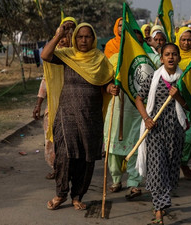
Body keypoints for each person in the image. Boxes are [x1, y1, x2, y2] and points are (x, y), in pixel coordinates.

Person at [41, 23, 114, 210]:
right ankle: (61, 194)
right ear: (74, 39)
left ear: (93, 38)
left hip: (91, 116)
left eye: (87, 36)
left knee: (86, 158)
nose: (83, 40)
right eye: (80, 37)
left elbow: (105, 83)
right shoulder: (68, 56)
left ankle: (77, 195)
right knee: (64, 156)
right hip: (67, 114)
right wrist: (59, 35)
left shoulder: (100, 60)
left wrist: (110, 88)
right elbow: (45, 55)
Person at [104, 29, 160, 199]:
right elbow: (103, 80)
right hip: (117, 109)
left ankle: (133, 183)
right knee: (113, 149)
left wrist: (156, 46)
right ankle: (115, 179)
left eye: (137, 42)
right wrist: (109, 87)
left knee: (136, 146)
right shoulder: (115, 59)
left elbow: (166, 67)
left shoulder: (151, 60)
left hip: (138, 110)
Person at [135, 43, 188, 225]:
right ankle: (158, 211)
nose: (171, 57)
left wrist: (178, 96)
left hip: (176, 131)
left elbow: (189, 106)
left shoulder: (184, 79)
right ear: (162, 58)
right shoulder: (154, 77)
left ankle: (161, 202)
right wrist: (146, 118)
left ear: (179, 58)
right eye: (167, 54)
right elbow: (139, 98)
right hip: (155, 129)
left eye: (174, 54)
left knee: (171, 170)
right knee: (157, 167)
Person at [33, 17, 77, 180]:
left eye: (70, 35)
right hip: (53, 106)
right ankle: (56, 166)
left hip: (73, 106)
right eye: (63, 34)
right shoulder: (53, 56)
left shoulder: (78, 57)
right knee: (51, 139)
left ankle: (69, 168)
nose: (65, 39)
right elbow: (45, 81)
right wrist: (38, 104)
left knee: (70, 140)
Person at [175, 27, 191, 179]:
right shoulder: (173, 55)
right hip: (176, 101)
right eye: (183, 39)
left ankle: (183, 161)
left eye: (189, 39)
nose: (186, 42)